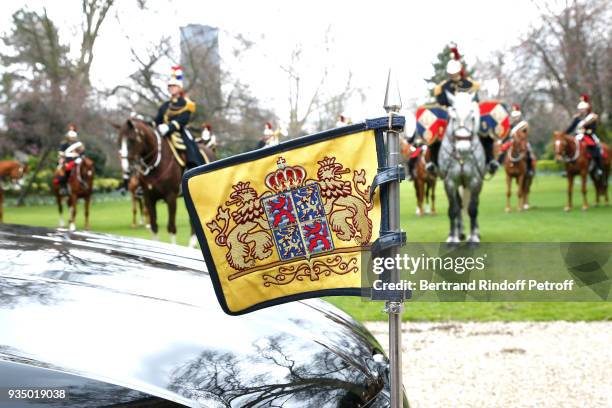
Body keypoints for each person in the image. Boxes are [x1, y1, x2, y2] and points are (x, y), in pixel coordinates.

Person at [431, 43, 497, 174]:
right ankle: (434, 164)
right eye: (451, 73)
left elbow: (476, 101)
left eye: (454, 73)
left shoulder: (469, 84)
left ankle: (490, 161)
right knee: (434, 137)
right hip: (451, 118)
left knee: (486, 133)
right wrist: (448, 110)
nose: (453, 76)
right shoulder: (443, 87)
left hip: (468, 117)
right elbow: (440, 104)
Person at [155, 66, 204, 169]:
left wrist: (169, 127)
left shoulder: (186, 103)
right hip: (163, 132)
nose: (172, 88)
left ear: (179, 88)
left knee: (190, 148)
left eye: (174, 86)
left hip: (179, 131)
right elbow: (157, 120)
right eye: (170, 86)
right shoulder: (164, 105)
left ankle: (193, 168)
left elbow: (183, 119)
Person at [565, 94, 603, 177]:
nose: (581, 111)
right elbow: (571, 128)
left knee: (596, 149)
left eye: (583, 109)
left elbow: (593, 129)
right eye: (580, 109)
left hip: (588, 136)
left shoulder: (591, 117)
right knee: (568, 147)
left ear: (586, 109)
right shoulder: (577, 119)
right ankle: (568, 169)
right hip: (577, 136)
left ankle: (599, 168)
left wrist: (586, 131)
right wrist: (563, 134)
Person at [497, 104, 534, 175]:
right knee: (502, 149)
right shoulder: (511, 125)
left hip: (522, 141)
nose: (515, 118)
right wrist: (502, 141)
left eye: (516, 116)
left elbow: (526, 133)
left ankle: (529, 169)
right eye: (514, 116)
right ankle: (498, 164)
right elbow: (507, 134)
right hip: (512, 141)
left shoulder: (523, 124)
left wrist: (520, 138)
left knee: (529, 151)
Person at [53, 124, 85, 195]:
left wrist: (79, 156)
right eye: (71, 137)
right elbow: (60, 153)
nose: (72, 138)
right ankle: (63, 186)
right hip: (66, 161)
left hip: (76, 160)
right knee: (62, 170)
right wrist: (63, 157)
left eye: (73, 137)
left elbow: (82, 152)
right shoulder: (64, 144)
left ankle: (83, 182)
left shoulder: (79, 144)